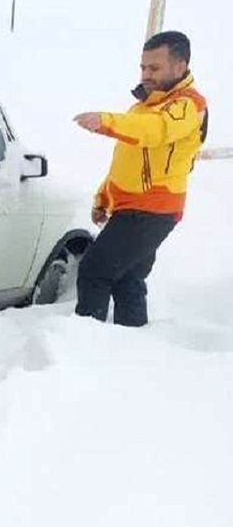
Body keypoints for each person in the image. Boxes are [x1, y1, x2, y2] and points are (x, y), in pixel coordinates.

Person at [72, 30, 208, 327]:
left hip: (151, 208)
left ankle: (82, 345)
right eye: (143, 67)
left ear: (180, 66)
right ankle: (131, 346)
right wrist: (104, 197)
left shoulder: (187, 105)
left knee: (95, 270)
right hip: (133, 208)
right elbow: (126, 161)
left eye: (154, 68)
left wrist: (105, 121)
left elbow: (155, 130)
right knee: (126, 277)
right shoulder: (144, 107)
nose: (146, 74)